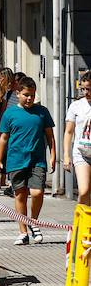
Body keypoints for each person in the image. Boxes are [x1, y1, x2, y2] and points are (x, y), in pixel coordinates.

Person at [0, 76, 56, 245]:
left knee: (37, 193)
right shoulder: (10, 113)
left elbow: (50, 136)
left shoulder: (42, 112)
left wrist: (53, 155)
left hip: (37, 160)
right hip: (16, 160)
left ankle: (33, 222)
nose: (29, 98)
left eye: (32, 95)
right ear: (18, 94)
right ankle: (23, 232)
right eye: (26, 95)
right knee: (20, 195)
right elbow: (4, 138)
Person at [63, 72, 91, 206]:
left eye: (89, 89)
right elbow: (68, 132)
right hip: (82, 153)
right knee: (84, 191)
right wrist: (66, 155)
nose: (86, 92)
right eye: (84, 89)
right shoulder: (76, 106)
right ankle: (82, 223)